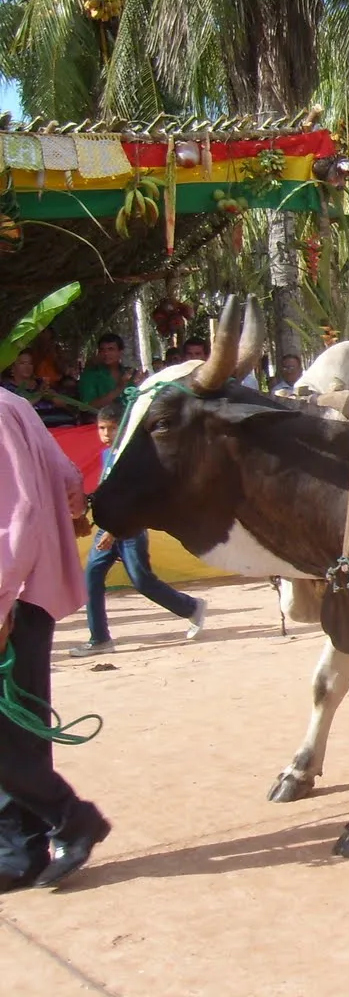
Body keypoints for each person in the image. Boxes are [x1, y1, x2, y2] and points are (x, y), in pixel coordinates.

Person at [0, 386, 112, 889]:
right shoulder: (12, 403)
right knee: (17, 731)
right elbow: (67, 475)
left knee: (13, 730)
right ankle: (21, 850)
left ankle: (68, 820)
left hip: (12, 595)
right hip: (23, 593)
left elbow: (16, 518)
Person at [68, 406, 208, 657]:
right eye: (102, 428)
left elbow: (134, 498)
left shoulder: (132, 456)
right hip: (109, 527)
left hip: (129, 528)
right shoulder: (106, 456)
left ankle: (192, 607)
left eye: (112, 427)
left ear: (124, 427)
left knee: (142, 580)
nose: (107, 433)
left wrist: (112, 530)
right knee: (91, 578)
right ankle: (99, 638)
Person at [2, 349, 76, 428]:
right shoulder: (6, 387)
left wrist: (53, 396)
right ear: (12, 367)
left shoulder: (40, 382)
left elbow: (62, 404)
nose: (27, 367)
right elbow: (18, 408)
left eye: (30, 363)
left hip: (56, 418)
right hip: (31, 424)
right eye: (22, 363)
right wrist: (40, 394)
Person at [76, 333, 137, 411]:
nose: (106, 354)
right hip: (102, 421)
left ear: (120, 352)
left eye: (111, 349)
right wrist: (119, 388)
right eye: (102, 350)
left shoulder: (130, 373)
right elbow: (87, 407)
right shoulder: (90, 375)